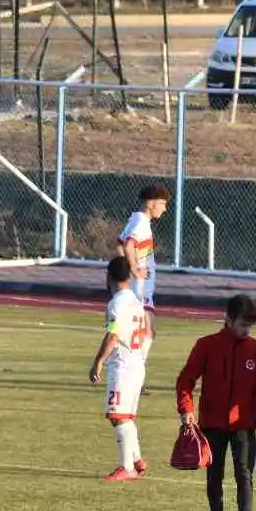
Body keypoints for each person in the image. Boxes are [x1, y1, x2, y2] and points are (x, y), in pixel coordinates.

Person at [175, 294, 256, 511]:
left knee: (244, 473)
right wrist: (186, 409)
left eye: (249, 326)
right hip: (211, 423)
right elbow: (185, 380)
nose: (246, 330)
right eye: (243, 324)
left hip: (244, 424)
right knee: (214, 475)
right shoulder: (206, 345)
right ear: (229, 319)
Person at [88, 256, 149, 481]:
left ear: (109, 276)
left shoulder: (117, 303)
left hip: (123, 366)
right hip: (136, 365)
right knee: (126, 416)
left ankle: (127, 467)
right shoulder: (135, 300)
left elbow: (113, 334)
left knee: (118, 417)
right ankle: (136, 460)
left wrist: (99, 360)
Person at [118, 184, 170, 367]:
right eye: (162, 204)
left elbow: (120, 243)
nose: (165, 209)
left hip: (138, 287)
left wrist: (123, 270)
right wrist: (134, 270)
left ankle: (130, 368)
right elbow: (128, 246)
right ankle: (134, 371)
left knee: (137, 331)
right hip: (140, 289)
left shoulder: (136, 220)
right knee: (148, 331)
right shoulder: (141, 224)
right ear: (151, 204)